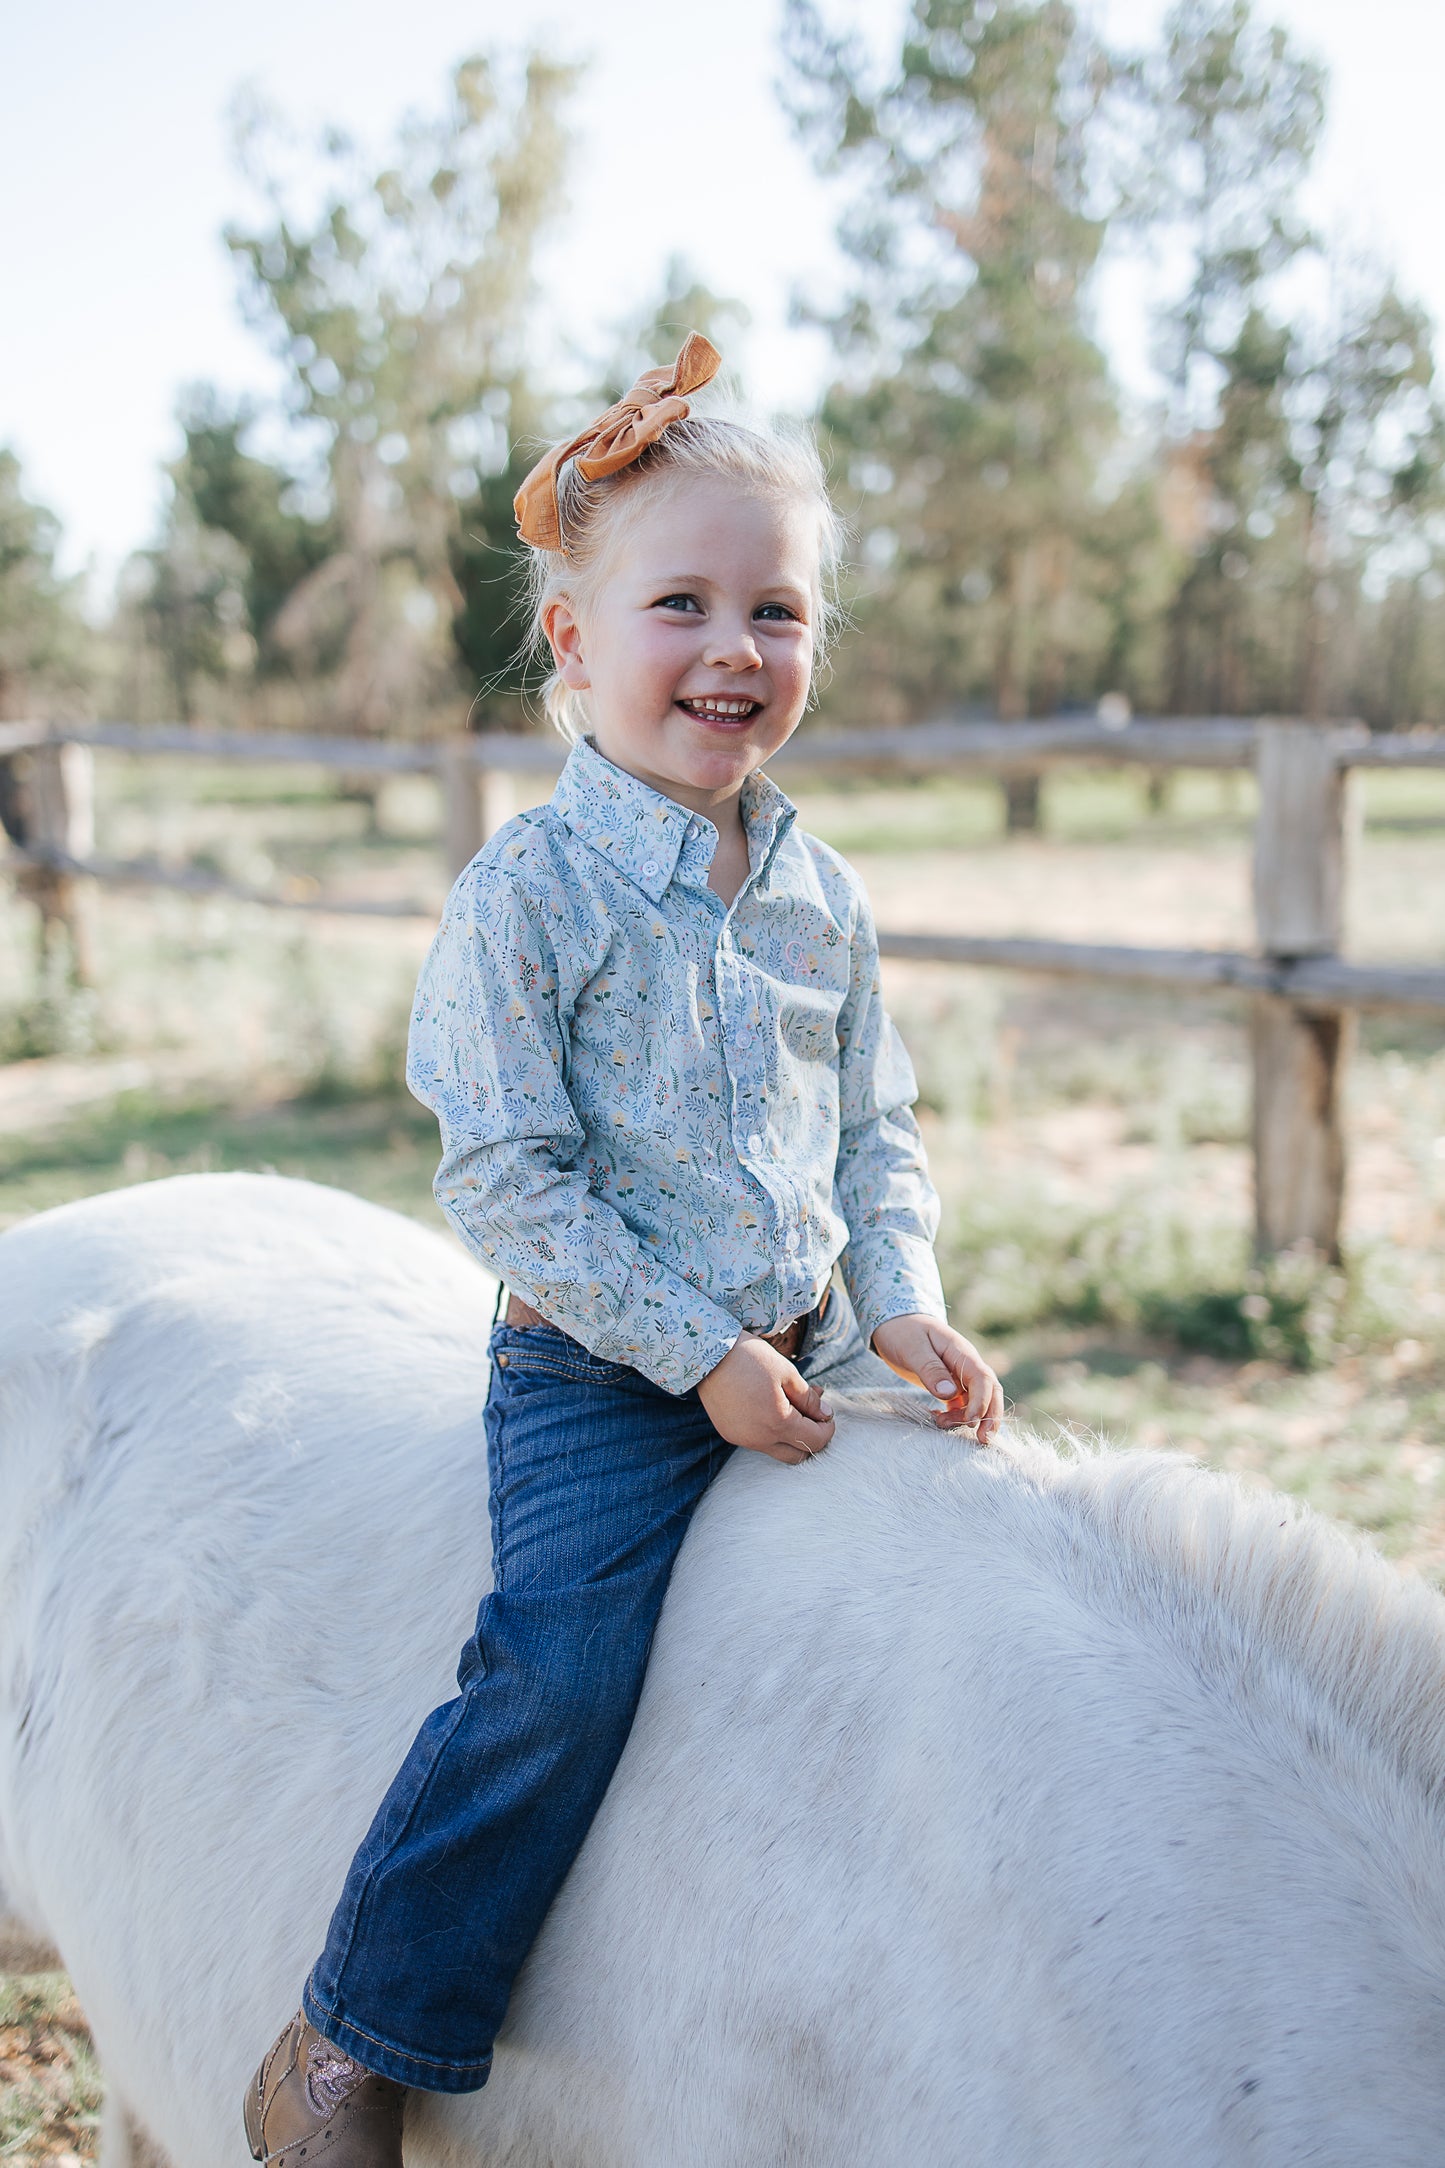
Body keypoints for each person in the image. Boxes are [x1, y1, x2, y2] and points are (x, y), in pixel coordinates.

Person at [244, 333, 1003, 2167]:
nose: (736, 649)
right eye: (682, 604)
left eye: (779, 610)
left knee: (974, 1579)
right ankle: (349, 2044)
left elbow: (872, 1127)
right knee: (559, 1676)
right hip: (601, 1369)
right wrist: (697, 1362)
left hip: (807, 1336)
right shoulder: (530, 894)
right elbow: (505, 1181)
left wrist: (895, 1299)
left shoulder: (821, 894)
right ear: (574, 643)